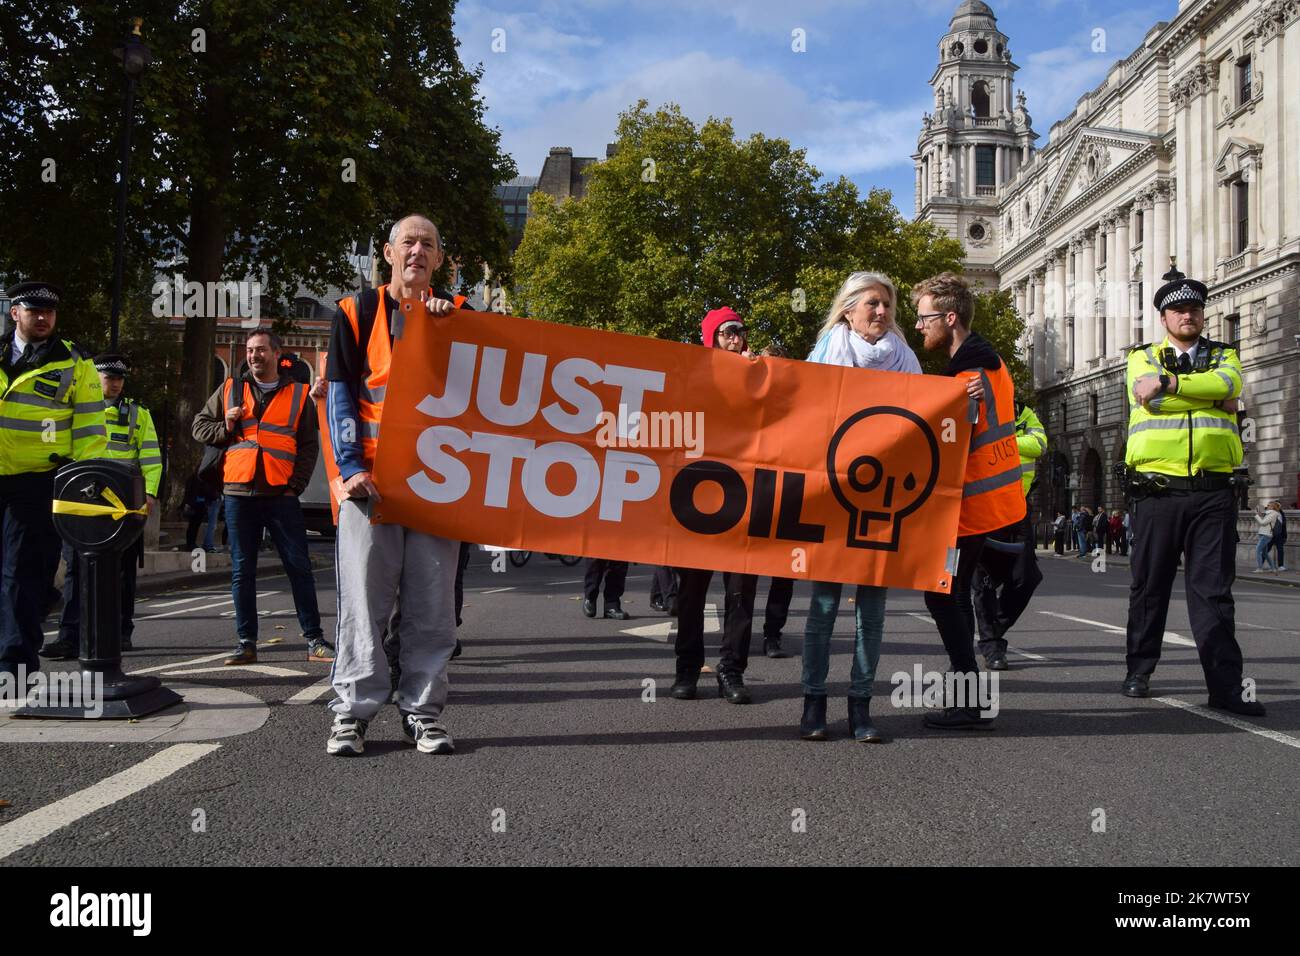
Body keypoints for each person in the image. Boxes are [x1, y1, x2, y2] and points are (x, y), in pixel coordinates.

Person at [322, 214, 464, 755]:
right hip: (370, 487)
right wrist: (351, 465)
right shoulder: (356, 312)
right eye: (409, 242)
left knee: (432, 608)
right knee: (365, 603)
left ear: (440, 260)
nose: (417, 252)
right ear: (388, 252)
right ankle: (352, 714)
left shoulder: (462, 317)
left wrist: (455, 327)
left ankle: (422, 712)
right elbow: (340, 395)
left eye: (429, 244)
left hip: (439, 488)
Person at [1121, 264, 1264, 716]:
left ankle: (1225, 688)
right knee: (1150, 586)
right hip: (1157, 492)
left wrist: (1172, 384)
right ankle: (1138, 671)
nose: (1188, 316)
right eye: (1179, 310)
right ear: (1163, 317)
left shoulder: (1225, 355)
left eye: (1195, 309)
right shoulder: (1140, 356)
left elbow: (1231, 385)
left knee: (1214, 593)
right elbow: (1147, 395)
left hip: (1212, 491)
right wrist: (1205, 396)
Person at [799, 271, 923, 741]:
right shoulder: (827, 351)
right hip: (833, 494)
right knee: (825, 608)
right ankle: (813, 704)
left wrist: (961, 397)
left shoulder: (905, 358)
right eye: (872, 303)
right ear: (848, 310)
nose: (882, 312)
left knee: (871, 613)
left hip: (884, 499)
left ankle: (860, 706)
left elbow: (927, 418)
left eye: (887, 305)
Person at [912, 272, 1026, 729]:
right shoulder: (989, 364)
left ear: (950, 317)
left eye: (924, 318)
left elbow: (948, 440)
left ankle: (969, 699)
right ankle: (969, 696)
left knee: (943, 596)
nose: (919, 326)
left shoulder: (969, 374)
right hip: (987, 504)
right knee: (950, 594)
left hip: (965, 508)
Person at [192, 328, 331, 665]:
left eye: (261, 350)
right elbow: (198, 427)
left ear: (276, 353)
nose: (254, 356)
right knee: (243, 570)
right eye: (250, 350)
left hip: (280, 493)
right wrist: (225, 426)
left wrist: (295, 485)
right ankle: (246, 643)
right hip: (238, 491)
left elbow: (309, 445)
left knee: (298, 566)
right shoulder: (229, 389)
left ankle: (314, 640)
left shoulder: (299, 394)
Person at [0, 282, 106, 679]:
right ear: (15, 313)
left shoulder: (74, 362)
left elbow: (92, 427)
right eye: (34, 310)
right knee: (20, 578)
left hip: (39, 480)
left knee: (18, 575)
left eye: (49, 312)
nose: (43, 318)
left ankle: (14, 668)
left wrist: (79, 481)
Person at [40, 353, 161, 658]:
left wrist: (148, 496)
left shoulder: (138, 414)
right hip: (81, 503)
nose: (116, 383)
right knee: (76, 571)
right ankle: (70, 636)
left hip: (123, 507)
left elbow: (150, 457)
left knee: (122, 574)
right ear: (95, 379)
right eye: (109, 378)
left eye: (120, 378)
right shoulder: (75, 410)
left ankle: (121, 633)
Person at [671, 307, 759, 704]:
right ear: (711, 338)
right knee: (691, 589)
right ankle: (687, 668)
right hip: (698, 496)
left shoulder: (759, 377)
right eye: (726, 332)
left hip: (745, 497)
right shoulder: (693, 377)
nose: (735, 338)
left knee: (741, 590)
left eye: (740, 331)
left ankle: (731, 670)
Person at [971, 400, 1046, 671]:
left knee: (1027, 577)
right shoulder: (976, 410)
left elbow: (1039, 445)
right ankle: (992, 647)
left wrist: (1001, 441)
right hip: (982, 507)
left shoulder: (1026, 413)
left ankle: (995, 628)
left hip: (1017, 508)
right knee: (985, 582)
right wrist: (1014, 442)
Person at [182, 467, 224, 552]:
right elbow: (189, 492)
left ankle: (191, 543)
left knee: (195, 525)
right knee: (193, 525)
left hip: (200, 504)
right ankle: (190, 543)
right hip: (195, 504)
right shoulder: (195, 479)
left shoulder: (201, 480)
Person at [1252, 502, 1279, 573]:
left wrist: (1257, 515)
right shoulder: (1268, 513)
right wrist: (1259, 514)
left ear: (1273, 507)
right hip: (1263, 533)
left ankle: (1260, 568)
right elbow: (1262, 522)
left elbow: (1263, 523)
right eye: (1267, 505)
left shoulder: (1273, 514)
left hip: (1266, 535)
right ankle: (1273, 568)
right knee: (1265, 553)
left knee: (1258, 550)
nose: (1267, 506)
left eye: (1269, 505)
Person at [1270, 501, 1287, 571]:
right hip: (1272, 534)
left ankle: (1280, 565)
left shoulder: (1280, 514)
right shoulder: (1272, 513)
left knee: (1280, 550)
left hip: (1278, 534)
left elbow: (1283, 525)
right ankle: (1261, 565)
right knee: (1266, 550)